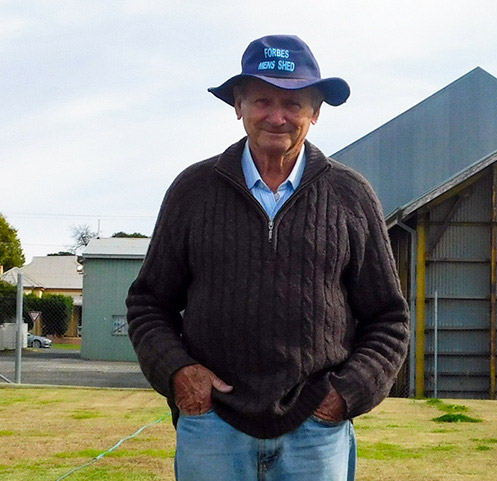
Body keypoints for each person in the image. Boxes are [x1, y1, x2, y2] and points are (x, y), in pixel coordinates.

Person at [127, 34, 410, 481]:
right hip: (213, 427)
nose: (277, 117)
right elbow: (148, 305)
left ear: (315, 111)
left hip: (316, 433)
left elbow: (389, 318)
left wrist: (346, 395)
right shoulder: (192, 191)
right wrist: (179, 374)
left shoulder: (351, 195)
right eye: (262, 100)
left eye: (293, 103)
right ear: (238, 105)